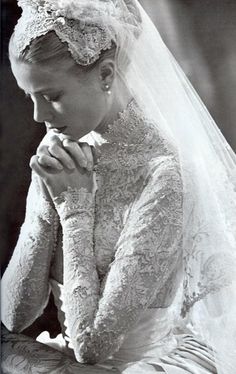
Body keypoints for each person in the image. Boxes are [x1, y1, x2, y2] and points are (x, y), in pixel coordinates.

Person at [1, 0, 236, 373]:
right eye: (29, 97)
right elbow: (14, 316)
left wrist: (75, 206)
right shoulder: (62, 147)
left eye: (51, 97)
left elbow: (91, 345)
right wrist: (45, 207)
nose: (38, 116)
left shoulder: (161, 174)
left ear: (106, 75)